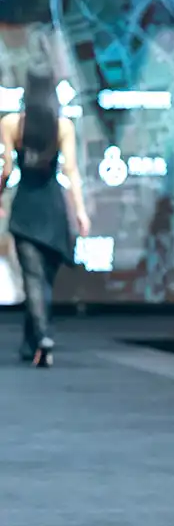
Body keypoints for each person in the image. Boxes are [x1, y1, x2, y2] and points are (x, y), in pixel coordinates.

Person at [0, 63, 90, 366]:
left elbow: (7, 169)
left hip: (25, 207)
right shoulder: (63, 126)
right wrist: (80, 211)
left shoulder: (11, 124)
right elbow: (71, 171)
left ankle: (37, 339)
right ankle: (39, 337)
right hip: (53, 209)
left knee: (33, 280)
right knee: (44, 282)